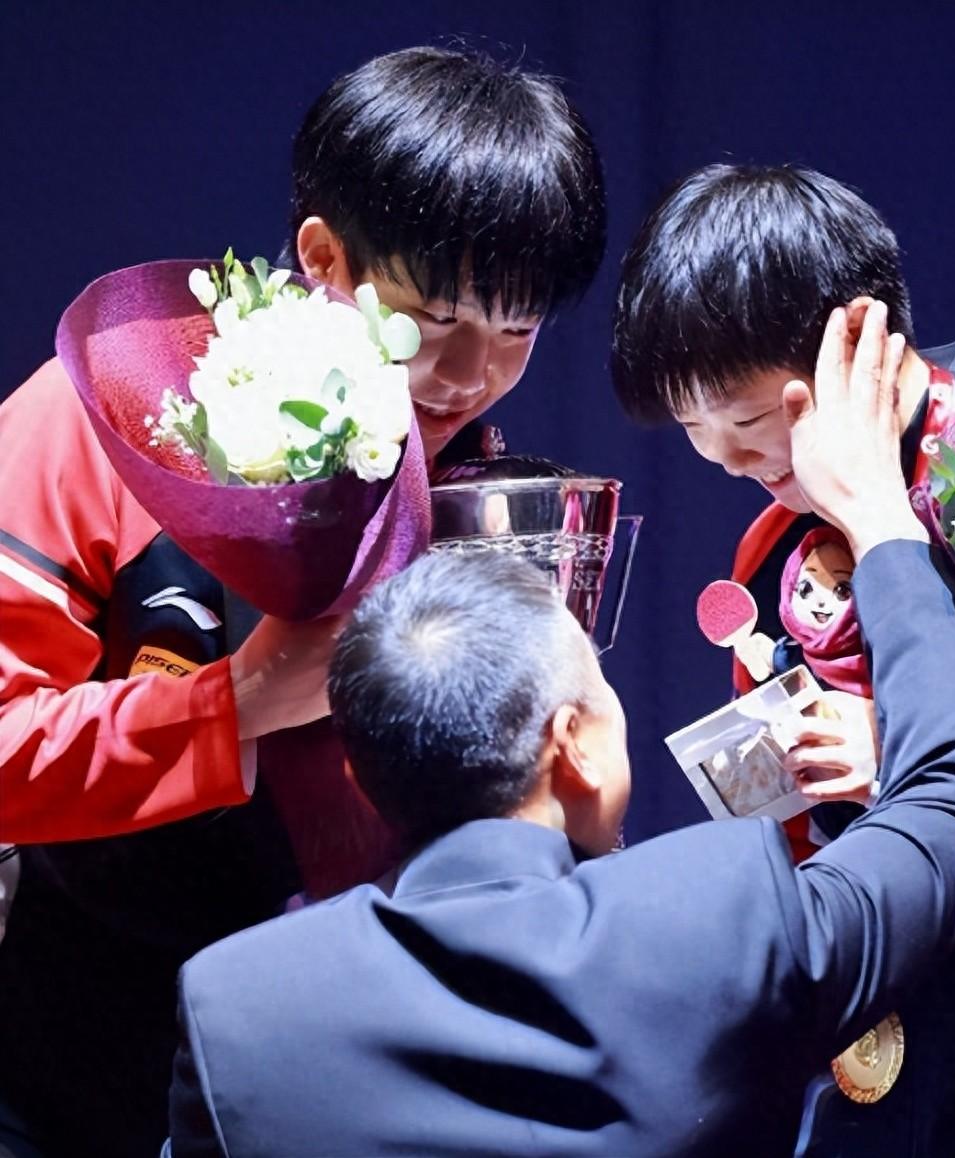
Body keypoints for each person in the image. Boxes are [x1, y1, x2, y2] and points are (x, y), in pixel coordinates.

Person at [167, 303, 955, 1157]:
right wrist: (879, 521)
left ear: (361, 773)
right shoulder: (719, 920)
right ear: (573, 741)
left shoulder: (237, 1010)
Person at [0, 46, 605, 1158]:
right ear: (324, 257)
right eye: (431, 319)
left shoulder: (485, 485)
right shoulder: (105, 419)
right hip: (77, 1068)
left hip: (347, 1078)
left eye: (516, 331)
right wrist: (235, 703)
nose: (469, 376)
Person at [611, 163, 955, 1155]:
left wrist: (910, 752)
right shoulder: (776, 541)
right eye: (692, 429)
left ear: (858, 341)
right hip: (879, 1050)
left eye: (745, 420)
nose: (724, 458)